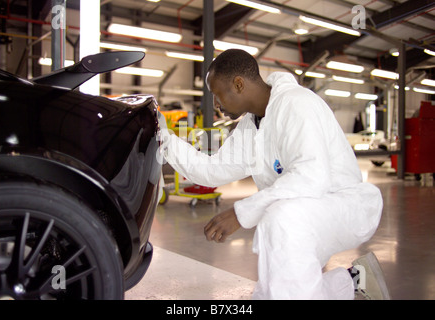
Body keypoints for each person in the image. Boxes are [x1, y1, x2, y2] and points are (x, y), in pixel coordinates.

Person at [157, 49, 390, 300]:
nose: (216, 105)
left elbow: (311, 176)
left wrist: (241, 212)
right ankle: (356, 278)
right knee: (275, 291)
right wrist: (164, 139)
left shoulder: (297, 104)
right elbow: (213, 170)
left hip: (345, 206)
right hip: (302, 213)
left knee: (279, 220)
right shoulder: (251, 126)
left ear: (238, 84)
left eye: (217, 95)